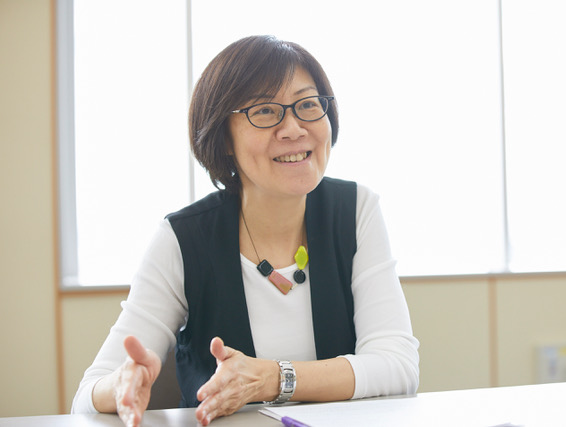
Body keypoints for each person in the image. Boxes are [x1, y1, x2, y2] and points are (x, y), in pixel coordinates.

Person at [71, 35, 419, 426]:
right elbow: (86, 396)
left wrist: (274, 378)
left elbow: (398, 365)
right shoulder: (183, 239)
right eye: (265, 111)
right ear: (224, 138)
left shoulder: (356, 210)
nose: (293, 128)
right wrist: (121, 384)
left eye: (307, 105)